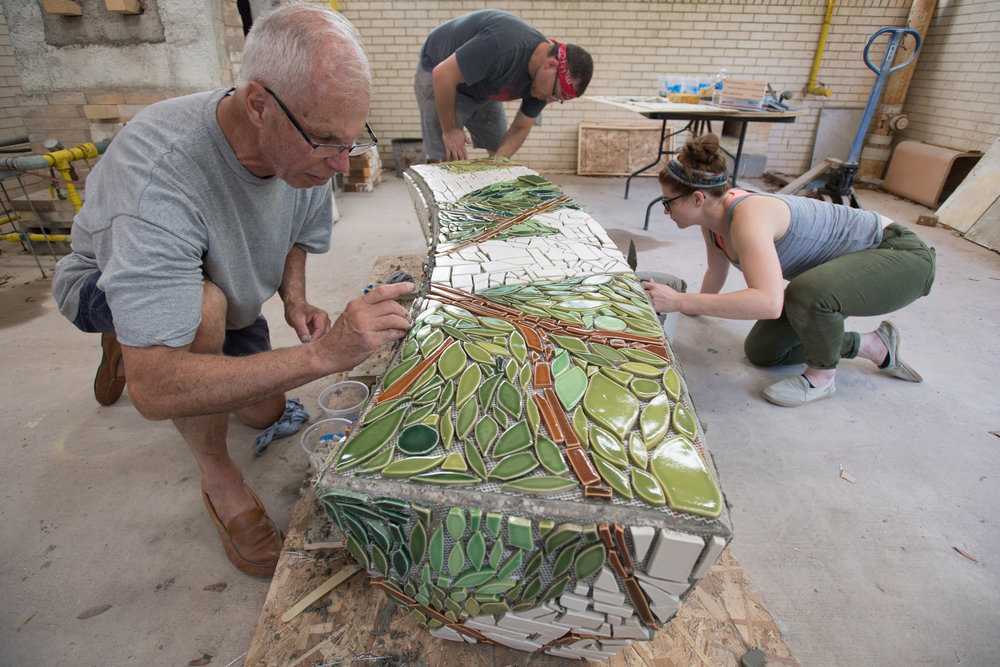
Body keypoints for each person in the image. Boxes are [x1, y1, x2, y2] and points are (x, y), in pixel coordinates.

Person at [51, 3, 412, 577]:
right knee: (200, 312)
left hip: (223, 284)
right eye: (326, 142)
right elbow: (155, 391)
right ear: (258, 105)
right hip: (102, 283)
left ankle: (145, 330)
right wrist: (322, 355)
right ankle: (219, 480)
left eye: (351, 141)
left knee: (260, 407)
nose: (341, 164)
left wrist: (294, 299)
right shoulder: (158, 172)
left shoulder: (311, 147)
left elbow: (299, 230)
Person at [642, 134, 935, 407]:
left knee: (805, 293)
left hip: (900, 256)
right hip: (842, 273)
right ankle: (872, 345)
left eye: (668, 202)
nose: (666, 210)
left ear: (697, 199)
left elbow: (768, 303)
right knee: (765, 351)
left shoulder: (748, 215)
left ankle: (821, 379)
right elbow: (716, 272)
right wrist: (686, 306)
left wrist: (679, 301)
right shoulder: (713, 222)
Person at [415, 9, 593, 161]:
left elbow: (520, 127)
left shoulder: (545, 84)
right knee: (448, 155)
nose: (548, 101)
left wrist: (497, 165)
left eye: (557, 99)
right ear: (551, 65)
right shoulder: (504, 44)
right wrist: (450, 129)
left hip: (485, 84)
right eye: (554, 94)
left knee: (499, 146)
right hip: (439, 72)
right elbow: (443, 74)